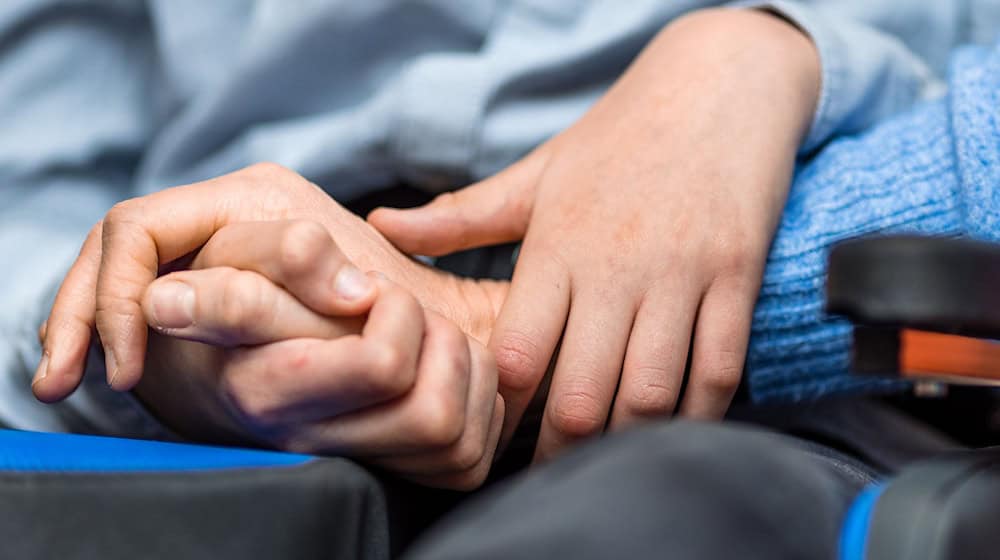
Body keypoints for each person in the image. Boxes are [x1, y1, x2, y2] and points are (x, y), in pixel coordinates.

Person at [3, 1, 997, 487]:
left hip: (828, 422)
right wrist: (157, 328)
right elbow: (25, 198)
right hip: (213, 414)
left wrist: (773, 54)